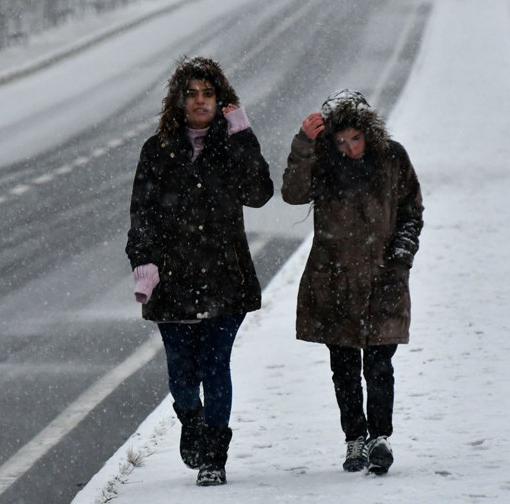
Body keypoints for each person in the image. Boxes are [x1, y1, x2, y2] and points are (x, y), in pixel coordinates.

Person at [125, 56, 274, 486]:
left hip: (225, 278)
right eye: (191, 94)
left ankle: (215, 456)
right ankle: (191, 419)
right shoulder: (157, 150)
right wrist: (143, 261)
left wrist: (242, 131)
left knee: (215, 365)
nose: (200, 101)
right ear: (179, 100)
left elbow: (259, 193)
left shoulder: (231, 144)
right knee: (182, 375)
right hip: (172, 282)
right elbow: (142, 214)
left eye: (208, 94)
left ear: (221, 99)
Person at [281, 89, 423, 475]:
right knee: (343, 368)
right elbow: (293, 192)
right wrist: (305, 143)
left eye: (356, 138)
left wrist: (401, 256)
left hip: (384, 279)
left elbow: (412, 210)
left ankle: (380, 437)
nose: (350, 148)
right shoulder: (324, 164)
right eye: (341, 141)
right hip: (335, 281)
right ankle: (354, 438)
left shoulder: (392, 158)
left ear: (368, 133)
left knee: (379, 365)